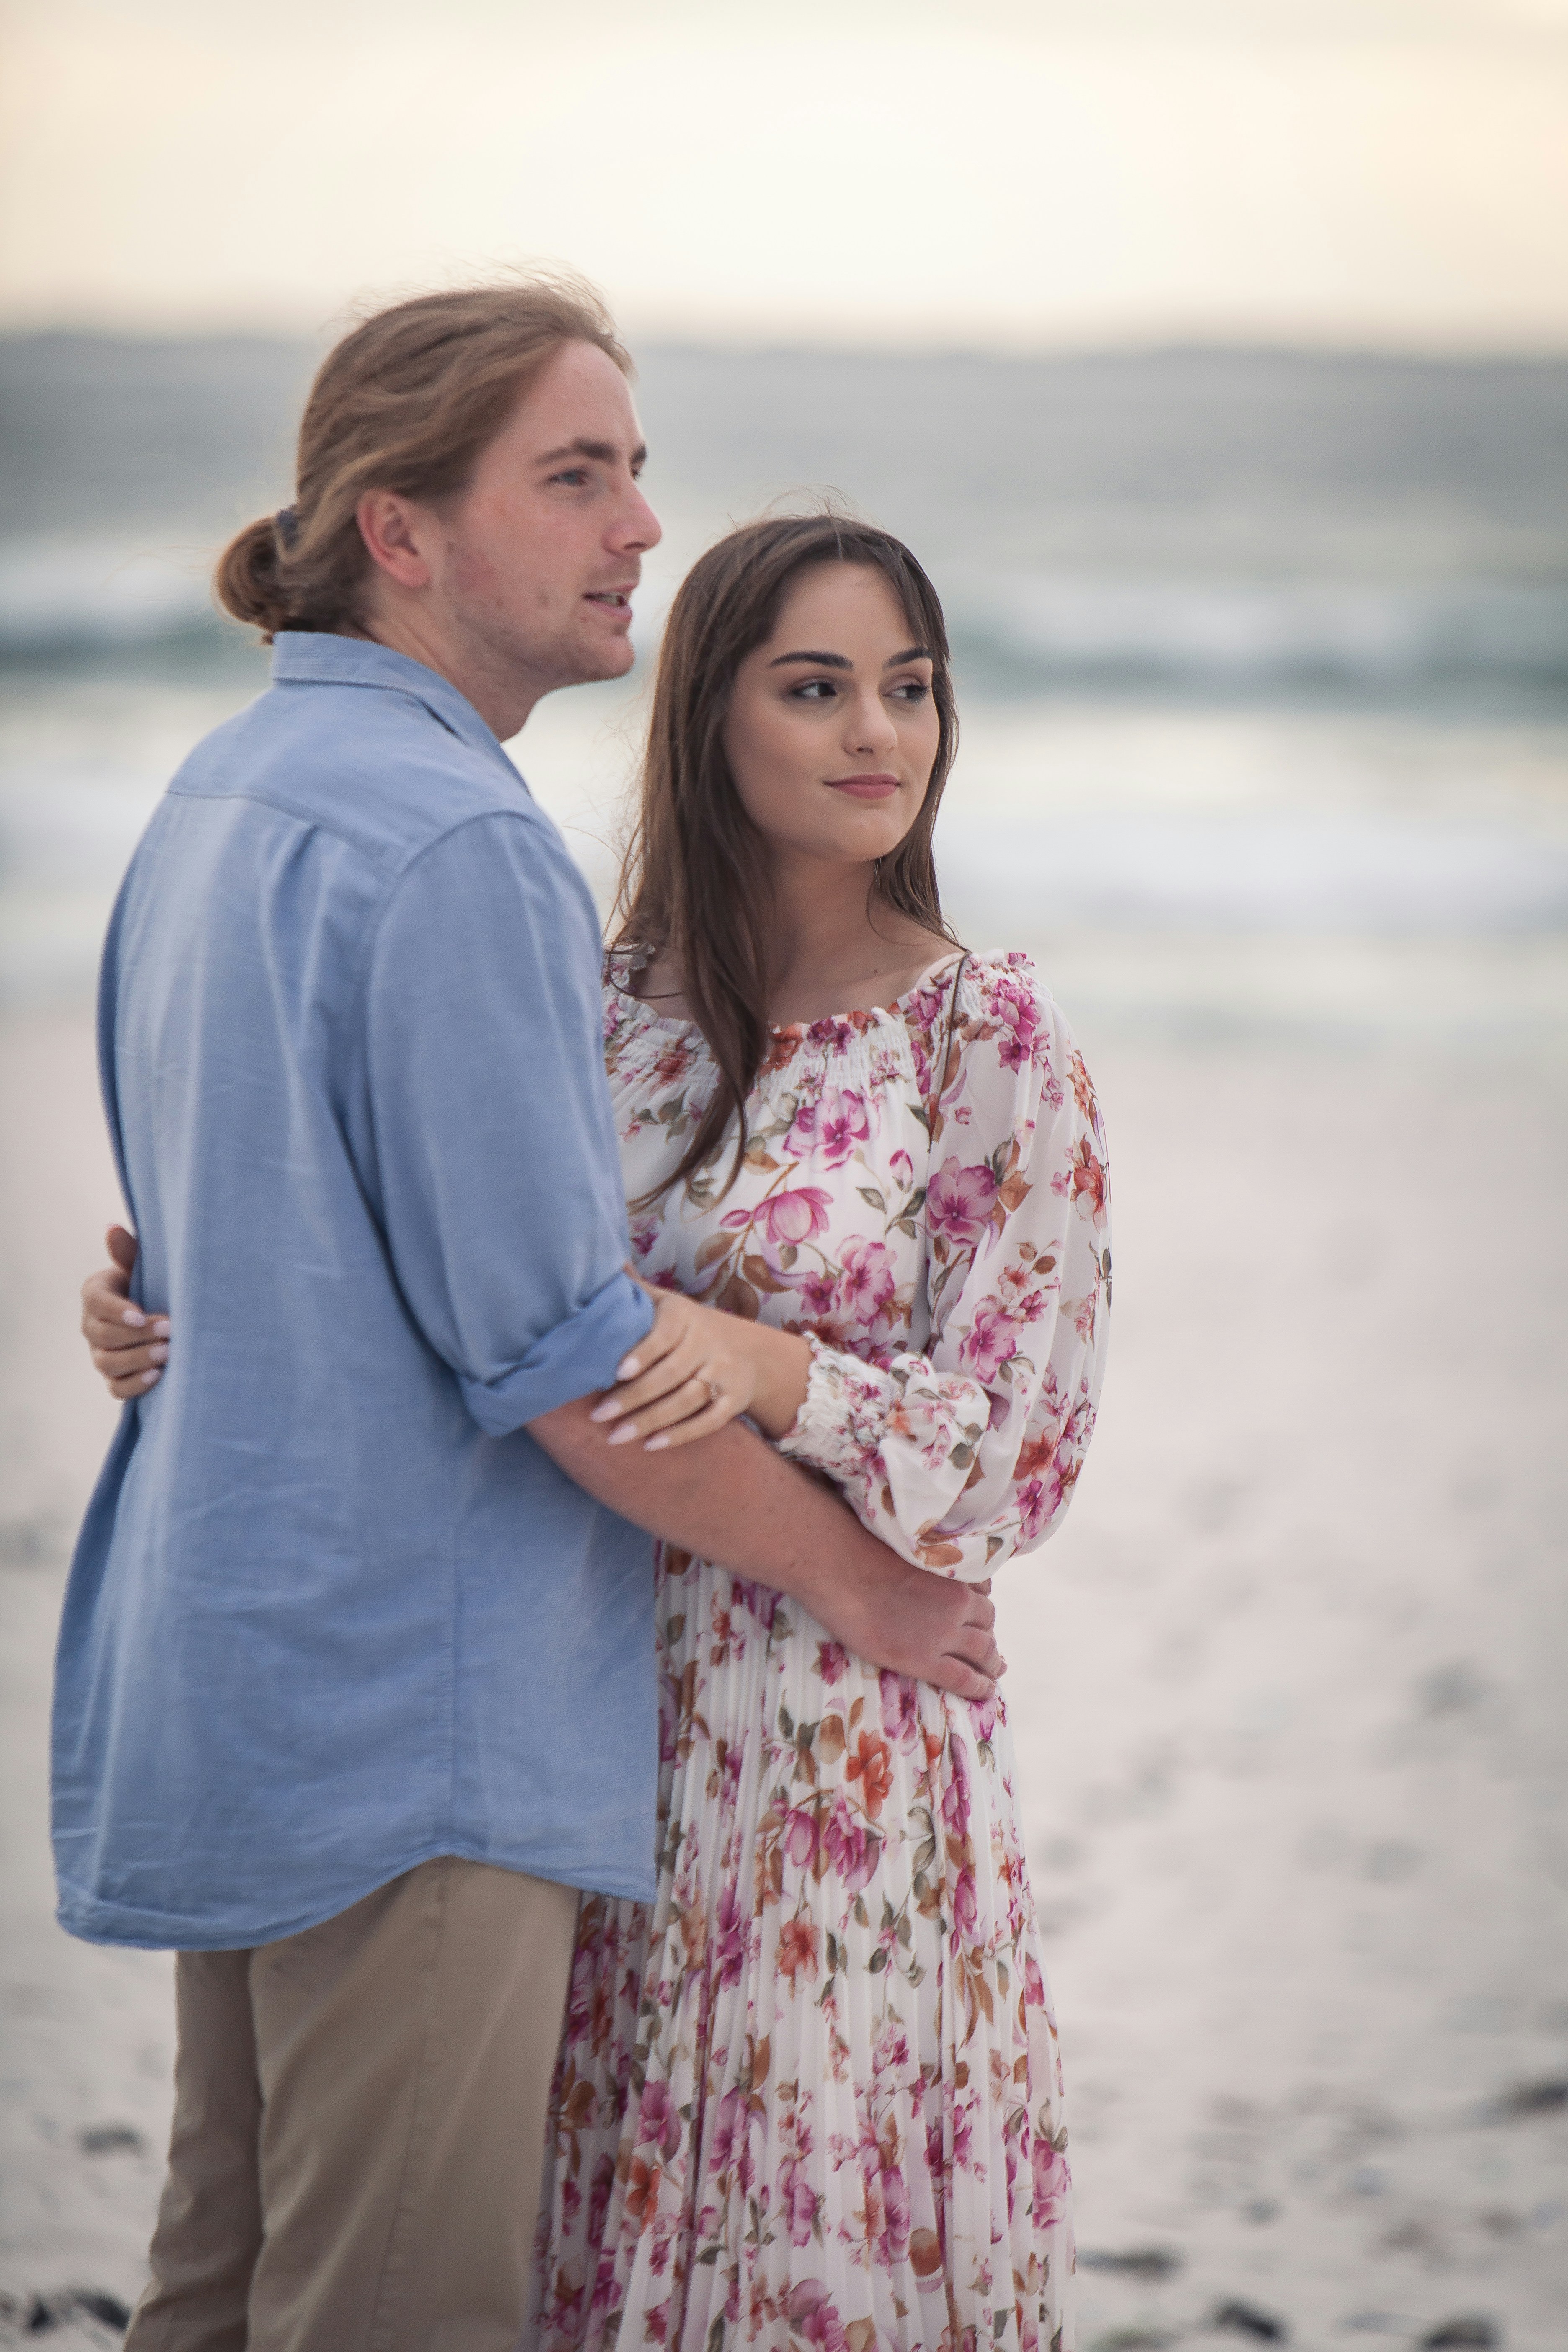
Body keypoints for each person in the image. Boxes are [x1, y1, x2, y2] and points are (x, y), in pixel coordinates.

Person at [63, 282, 1002, 2352]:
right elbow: (569, 1370)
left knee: (217, 2287)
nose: (639, 529)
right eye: (575, 477)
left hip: (229, 1671)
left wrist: (137, 1311)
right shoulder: (466, 847)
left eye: (637, 470)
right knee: (388, 2310)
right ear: (403, 533)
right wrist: (862, 1587)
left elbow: (216, 1230)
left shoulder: (223, 791)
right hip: (418, 1717)